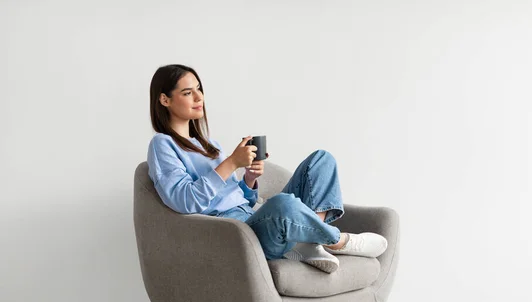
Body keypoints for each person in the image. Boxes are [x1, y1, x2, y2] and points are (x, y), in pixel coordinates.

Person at [146, 64, 387, 274]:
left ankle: (310, 243)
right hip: (237, 233)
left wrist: (249, 179)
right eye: (188, 92)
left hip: (254, 217)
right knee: (284, 203)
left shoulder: (210, 145)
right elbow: (183, 201)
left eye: (199, 89)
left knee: (322, 160)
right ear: (165, 99)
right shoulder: (162, 145)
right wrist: (231, 163)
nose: (199, 98)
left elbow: (243, 200)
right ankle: (337, 241)